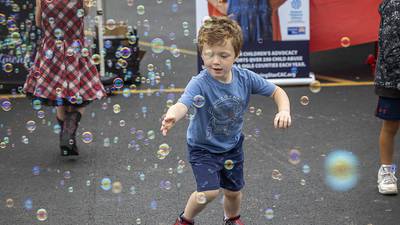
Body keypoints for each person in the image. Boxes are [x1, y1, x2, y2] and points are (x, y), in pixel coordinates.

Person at [160, 16, 291, 225]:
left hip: (232, 146)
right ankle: (184, 220)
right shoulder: (200, 83)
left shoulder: (245, 78)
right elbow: (183, 103)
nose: (215, 61)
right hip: (203, 147)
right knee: (209, 191)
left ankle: (232, 219)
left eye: (223, 55)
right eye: (209, 54)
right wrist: (173, 115)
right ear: (201, 54)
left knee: (234, 192)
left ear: (236, 55)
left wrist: (284, 111)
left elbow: (277, 91)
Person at [23, 0, 106, 156]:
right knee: (83, 96)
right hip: (75, 51)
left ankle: (67, 138)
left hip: (51, 53)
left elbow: (38, 23)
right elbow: (85, 13)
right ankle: (69, 132)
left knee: (60, 97)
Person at [374, 0, 400, 195]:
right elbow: (391, 49)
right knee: (390, 126)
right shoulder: (393, 5)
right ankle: (387, 171)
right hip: (393, 80)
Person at [207, 0, 287, 42]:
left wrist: (268, 5)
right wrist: (220, 4)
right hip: (224, 22)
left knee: (264, 65)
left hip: (262, 20)